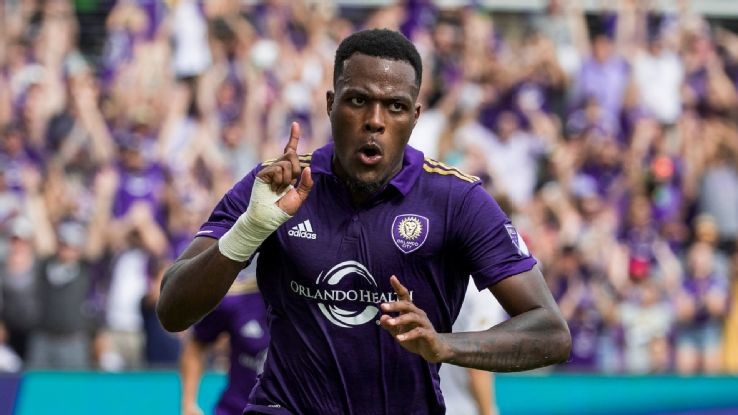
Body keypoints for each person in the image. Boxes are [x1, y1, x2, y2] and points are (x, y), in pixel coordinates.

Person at [158, 29, 571, 414]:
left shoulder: (457, 200)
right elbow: (173, 311)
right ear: (330, 104)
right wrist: (248, 230)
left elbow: (551, 332)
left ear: (415, 116)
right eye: (358, 101)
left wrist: (443, 346)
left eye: (395, 106)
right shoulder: (277, 184)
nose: (375, 120)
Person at [180, 273, 269, 415]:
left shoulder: (306, 303)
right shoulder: (236, 299)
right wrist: (189, 404)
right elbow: (196, 346)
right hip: (236, 409)